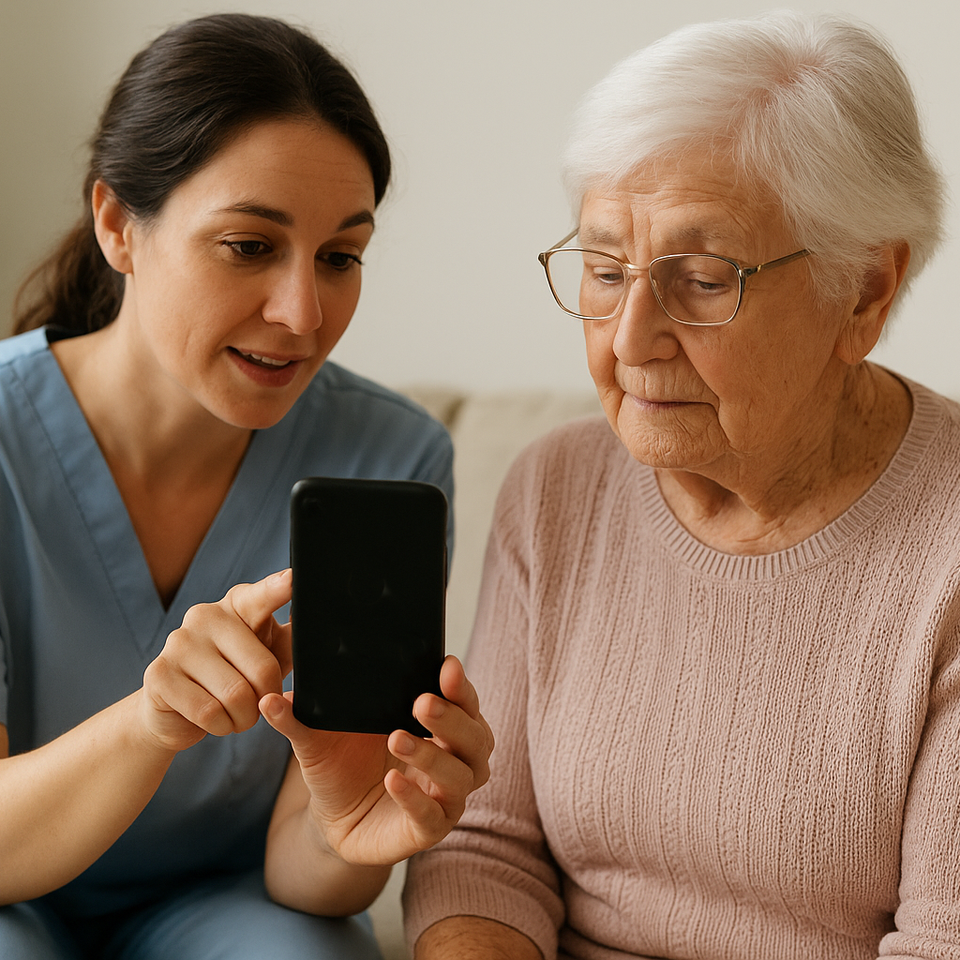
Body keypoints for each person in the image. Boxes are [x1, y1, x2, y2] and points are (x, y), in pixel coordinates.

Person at [403, 11, 960, 960]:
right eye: (606, 268)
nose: (628, 339)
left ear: (862, 291)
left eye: (702, 279)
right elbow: (486, 851)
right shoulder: (556, 490)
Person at [0, 13, 492, 960]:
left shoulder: (392, 456)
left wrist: (359, 828)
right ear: (117, 225)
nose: (303, 314)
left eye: (340, 257)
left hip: (231, 908)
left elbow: (301, 875)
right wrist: (153, 722)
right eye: (248, 246)